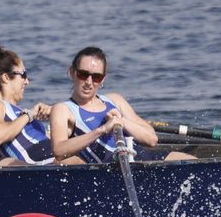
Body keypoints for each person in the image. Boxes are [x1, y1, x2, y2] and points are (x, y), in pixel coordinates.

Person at [49, 47, 194, 163]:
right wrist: (102, 130)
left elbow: (151, 139)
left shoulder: (115, 100)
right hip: (113, 170)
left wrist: (122, 122)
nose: (89, 82)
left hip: (146, 161)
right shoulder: (63, 109)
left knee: (194, 162)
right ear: (72, 73)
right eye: (83, 74)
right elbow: (59, 151)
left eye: (96, 77)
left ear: (103, 79)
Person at [0, 41, 56, 167]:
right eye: (23, 74)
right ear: (5, 78)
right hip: (37, 159)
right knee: (75, 160)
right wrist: (29, 115)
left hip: (51, 153)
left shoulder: (20, 113)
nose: (27, 81)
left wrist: (55, 115)